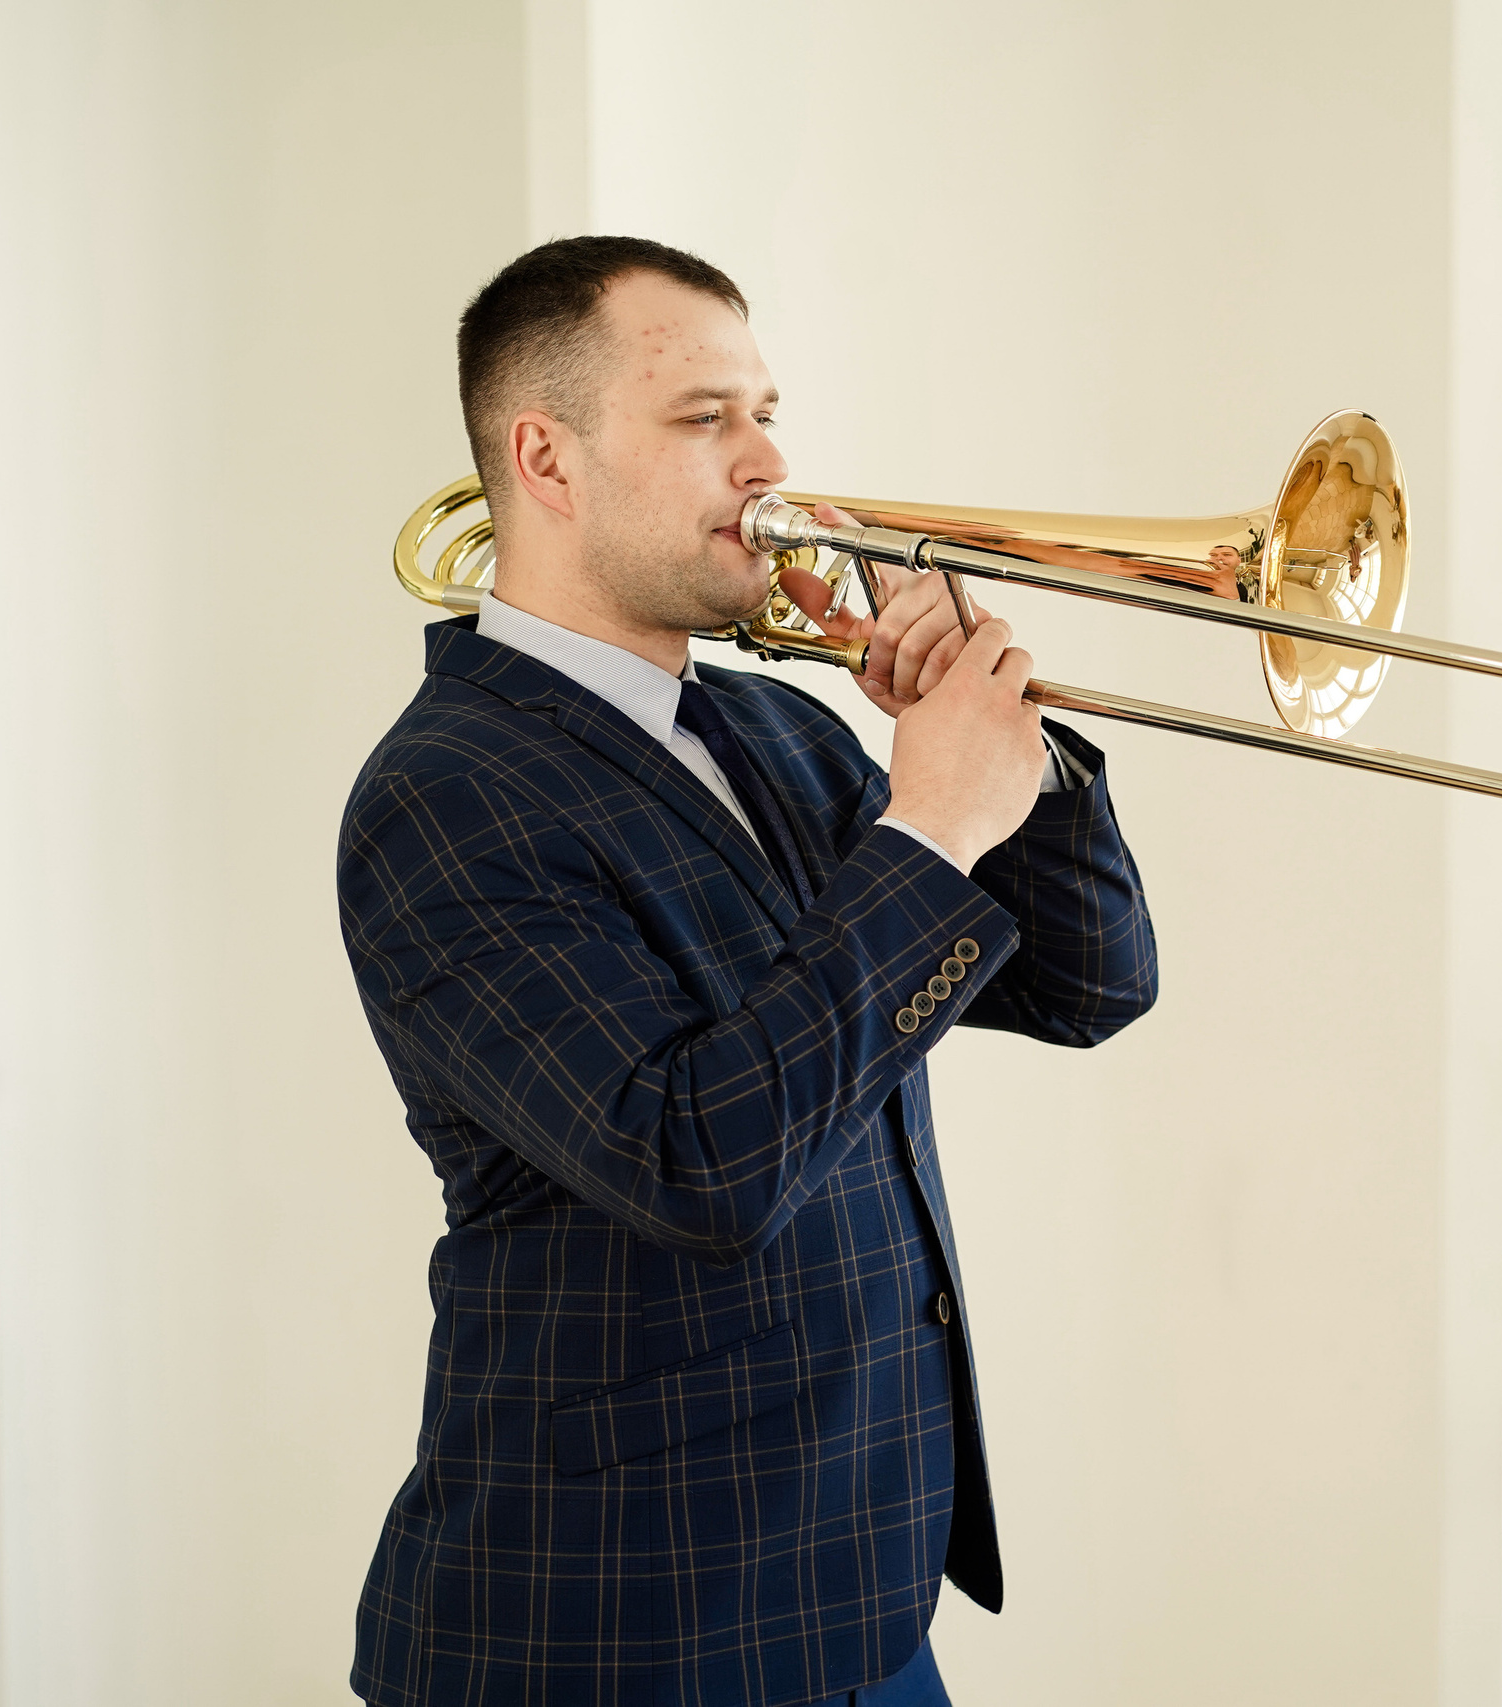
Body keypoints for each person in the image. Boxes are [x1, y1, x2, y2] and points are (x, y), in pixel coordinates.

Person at [337, 235, 1158, 1707]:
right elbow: (697, 1161)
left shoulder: (778, 737)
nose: (769, 459)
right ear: (548, 458)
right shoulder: (446, 793)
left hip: (861, 1608)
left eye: (766, 411)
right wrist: (929, 826)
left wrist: (997, 733)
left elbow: (1091, 983)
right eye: (706, 418)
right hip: (616, 1642)